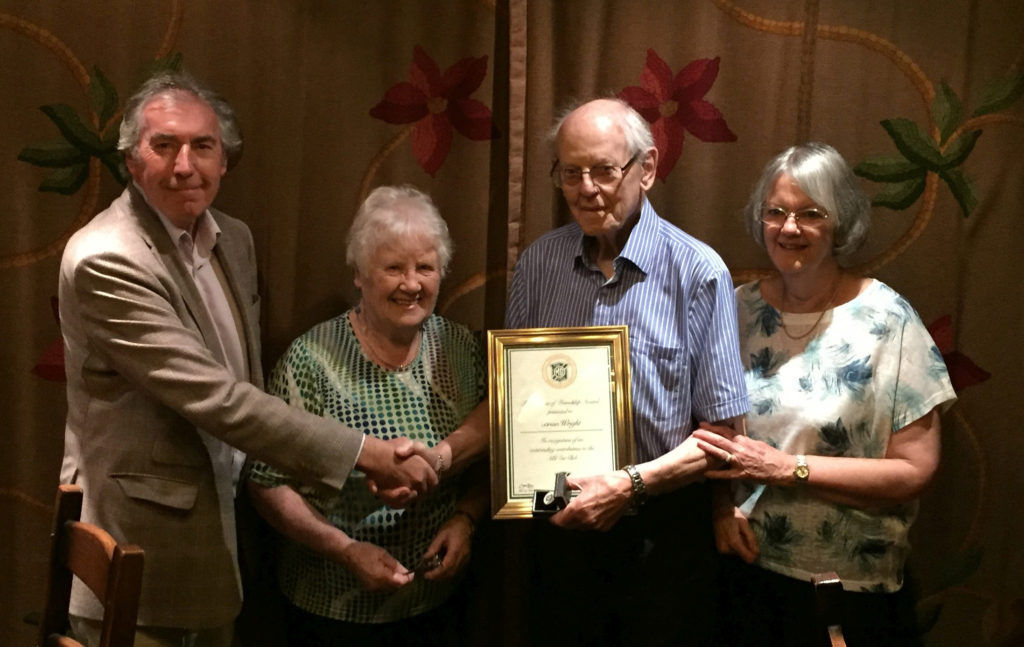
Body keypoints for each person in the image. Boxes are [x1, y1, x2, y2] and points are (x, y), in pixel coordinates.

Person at [58, 72, 437, 647]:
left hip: (224, 543)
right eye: (164, 145)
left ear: (225, 160)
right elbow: (216, 398)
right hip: (141, 553)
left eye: (202, 146)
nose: (185, 165)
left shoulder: (232, 238)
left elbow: (245, 378)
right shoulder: (107, 258)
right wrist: (367, 455)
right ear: (132, 161)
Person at [505, 97, 750, 646]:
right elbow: (514, 398)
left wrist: (628, 484)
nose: (587, 189)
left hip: (661, 535)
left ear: (647, 168)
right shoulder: (538, 263)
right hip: (557, 522)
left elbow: (725, 438)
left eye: (604, 170)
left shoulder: (698, 271)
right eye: (571, 172)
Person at [692, 142, 956, 647]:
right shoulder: (736, 309)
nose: (789, 228)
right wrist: (720, 509)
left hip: (848, 591)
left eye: (810, 213)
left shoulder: (888, 319)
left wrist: (787, 468)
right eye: (776, 212)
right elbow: (711, 430)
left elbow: (915, 470)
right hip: (746, 576)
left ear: (840, 223)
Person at [246, 185, 488, 647]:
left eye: (425, 267)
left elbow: (488, 456)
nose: (411, 284)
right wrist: (345, 550)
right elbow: (264, 482)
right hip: (330, 606)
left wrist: (465, 519)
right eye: (393, 267)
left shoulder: (460, 348)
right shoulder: (310, 360)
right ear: (359, 274)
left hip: (436, 602)